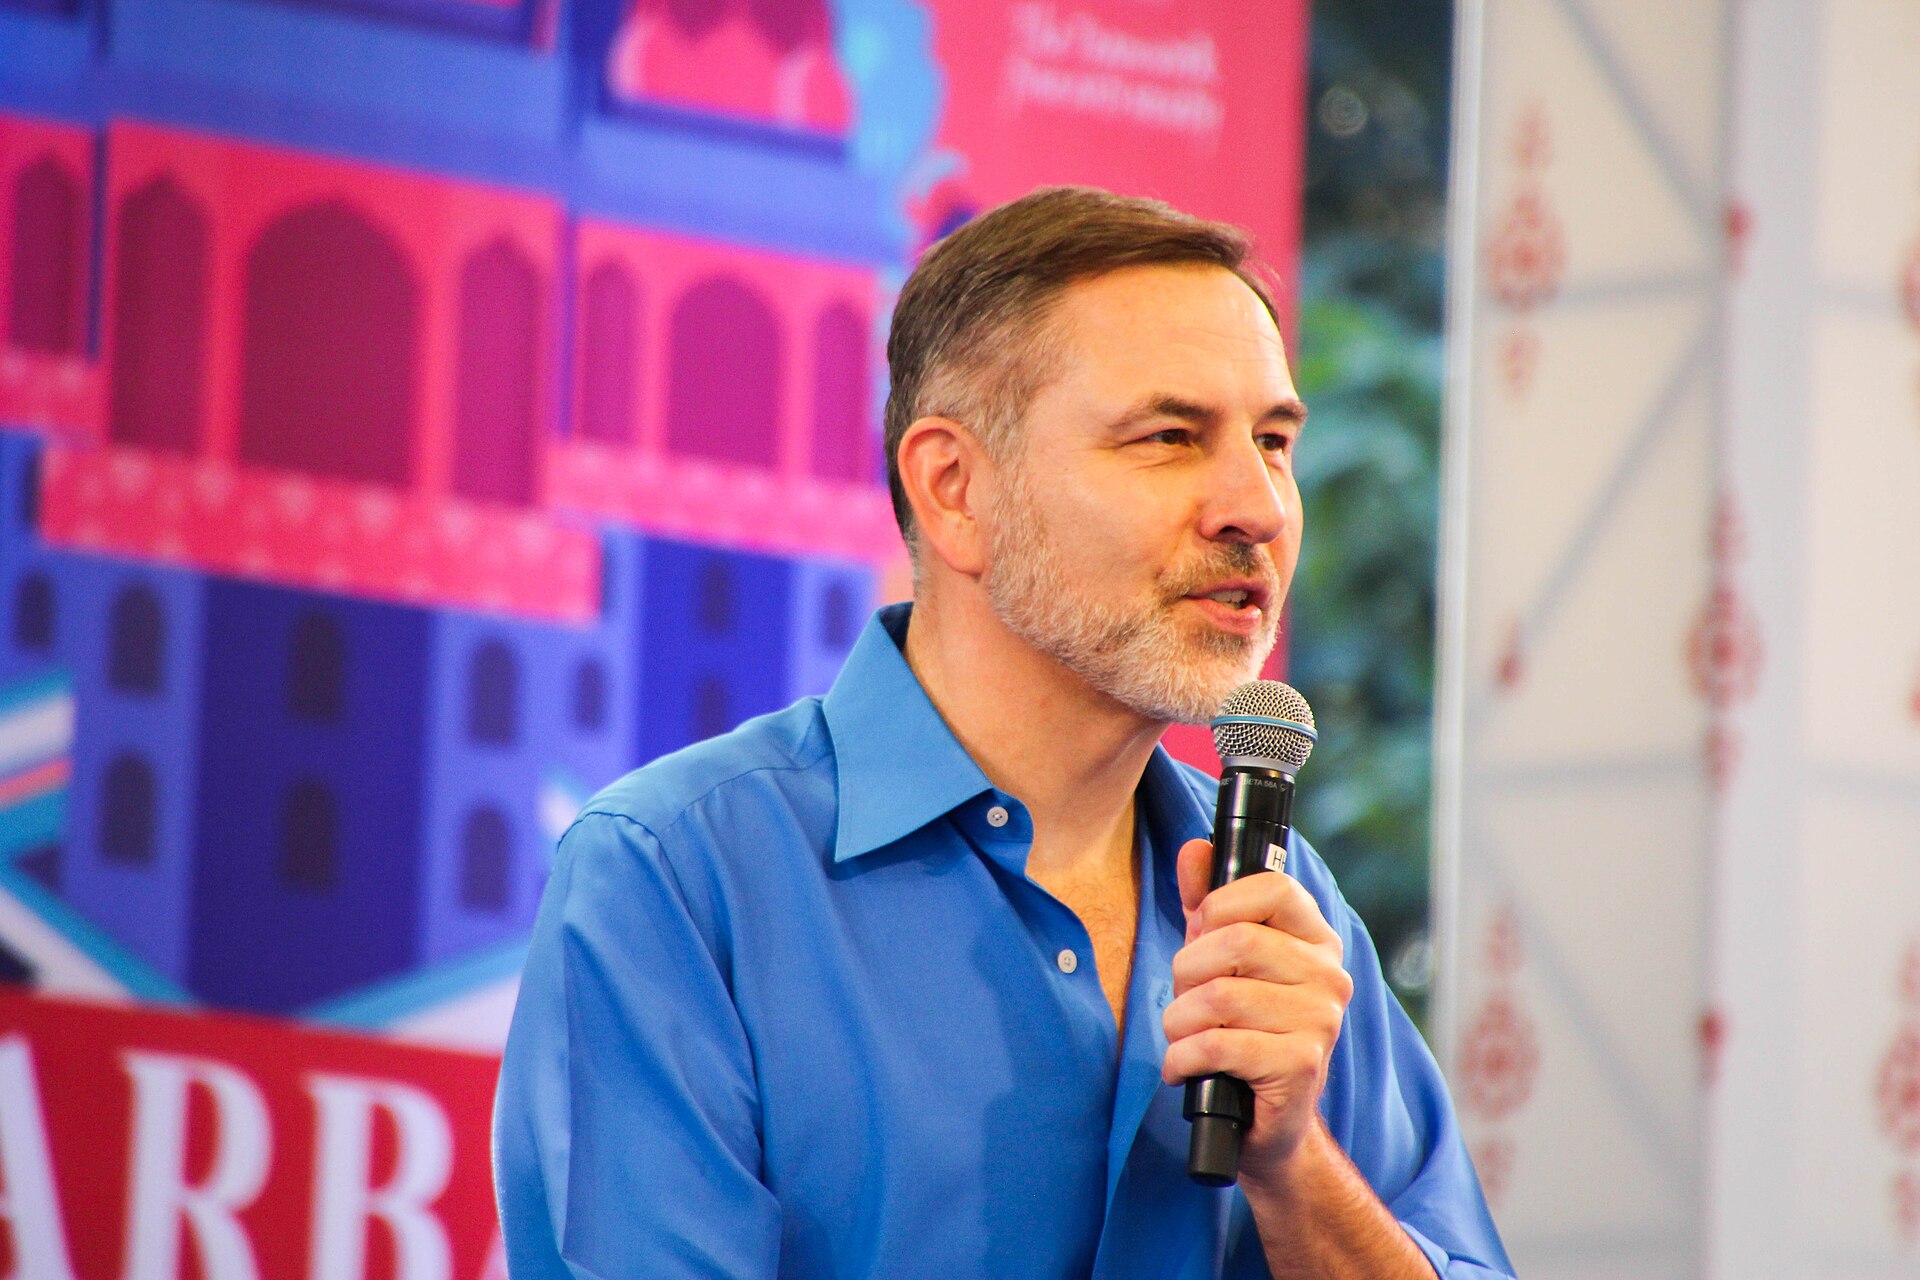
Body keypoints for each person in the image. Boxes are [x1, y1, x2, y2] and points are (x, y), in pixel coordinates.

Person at [493, 186, 1514, 1279]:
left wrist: (1295, 1162)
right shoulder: (682, 877)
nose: (1256, 506)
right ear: (956, 488)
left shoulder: (1284, 913)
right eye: (1169, 437)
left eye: (1273, 440)